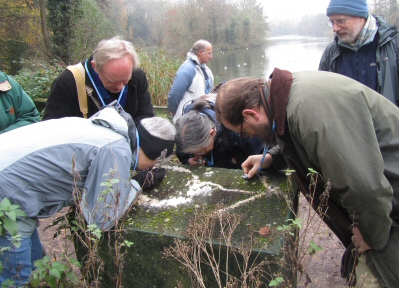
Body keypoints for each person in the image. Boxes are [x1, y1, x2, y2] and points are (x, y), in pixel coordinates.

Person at [215, 68, 399, 288]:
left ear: (251, 114)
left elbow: (364, 189)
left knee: (386, 275)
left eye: (243, 132)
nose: (248, 137)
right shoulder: (287, 95)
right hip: (395, 197)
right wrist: (271, 157)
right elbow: (304, 140)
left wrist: (370, 235)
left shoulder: (310, 109)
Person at [0, 105, 175, 286]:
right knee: (16, 278)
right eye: (154, 163)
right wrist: (137, 183)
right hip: (8, 192)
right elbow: (101, 216)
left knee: (35, 266)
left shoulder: (106, 130)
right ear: (152, 152)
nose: (151, 168)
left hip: (10, 180)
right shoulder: (116, 148)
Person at [319, 0, 399, 126]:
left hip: (389, 137)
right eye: (332, 22)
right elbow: (323, 100)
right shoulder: (331, 53)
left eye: (340, 21)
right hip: (347, 139)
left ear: (360, 17)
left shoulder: (395, 43)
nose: (335, 28)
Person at [43, 36, 154, 125]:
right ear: (95, 66)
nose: (120, 87)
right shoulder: (68, 82)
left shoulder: (137, 77)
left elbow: (146, 119)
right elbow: (53, 129)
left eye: (125, 81)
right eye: (112, 81)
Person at [175, 91, 264, 169]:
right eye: (192, 152)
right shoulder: (184, 131)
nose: (197, 155)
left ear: (212, 133)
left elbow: (262, 156)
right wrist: (188, 160)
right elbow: (182, 153)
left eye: (199, 151)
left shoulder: (239, 130)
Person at [168, 40, 214, 123]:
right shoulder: (187, 69)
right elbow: (175, 93)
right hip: (187, 119)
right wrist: (173, 111)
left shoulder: (204, 69)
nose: (211, 57)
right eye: (209, 53)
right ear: (201, 52)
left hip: (200, 117)